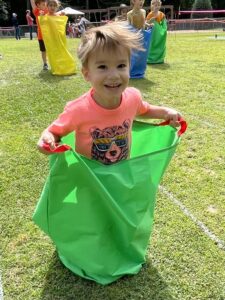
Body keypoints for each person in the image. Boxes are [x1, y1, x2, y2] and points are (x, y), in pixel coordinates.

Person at [37, 22, 181, 164]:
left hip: (120, 176)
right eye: (102, 67)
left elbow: (144, 110)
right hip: (90, 180)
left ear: (129, 67)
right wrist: (47, 140)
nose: (114, 75)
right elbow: (53, 132)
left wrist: (165, 112)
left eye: (121, 66)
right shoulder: (78, 109)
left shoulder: (133, 97)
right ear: (87, 74)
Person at [30, 0, 49, 70]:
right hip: (41, 36)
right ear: (38, 5)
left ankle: (53, 62)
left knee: (50, 49)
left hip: (49, 35)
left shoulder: (48, 10)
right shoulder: (36, 11)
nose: (45, 5)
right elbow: (32, 2)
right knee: (43, 50)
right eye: (43, 4)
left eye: (45, 4)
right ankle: (45, 63)